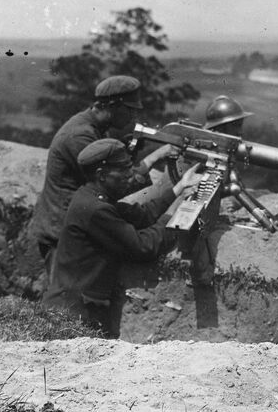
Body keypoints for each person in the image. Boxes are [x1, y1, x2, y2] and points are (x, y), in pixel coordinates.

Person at [41, 138, 203, 339]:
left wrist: (179, 189)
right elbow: (144, 246)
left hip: (78, 307)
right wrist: (175, 214)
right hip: (72, 315)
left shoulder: (93, 197)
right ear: (101, 175)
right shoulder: (96, 210)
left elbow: (142, 215)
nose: (130, 175)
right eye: (124, 170)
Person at [28, 75, 175, 278]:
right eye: (130, 109)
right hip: (62, 232)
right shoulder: (80, 135)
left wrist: (126, 150)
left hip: (74, 222)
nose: (133, 116)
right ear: (112, 106)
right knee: (65, 298)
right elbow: (115, 184)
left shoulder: (92, 127)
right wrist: (155, 157)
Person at [178, 95, 254, 288]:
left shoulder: (219, 148)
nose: (240, 131)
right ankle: (199, 272)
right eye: (235, 126)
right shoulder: (200, 150)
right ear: (220, 128)